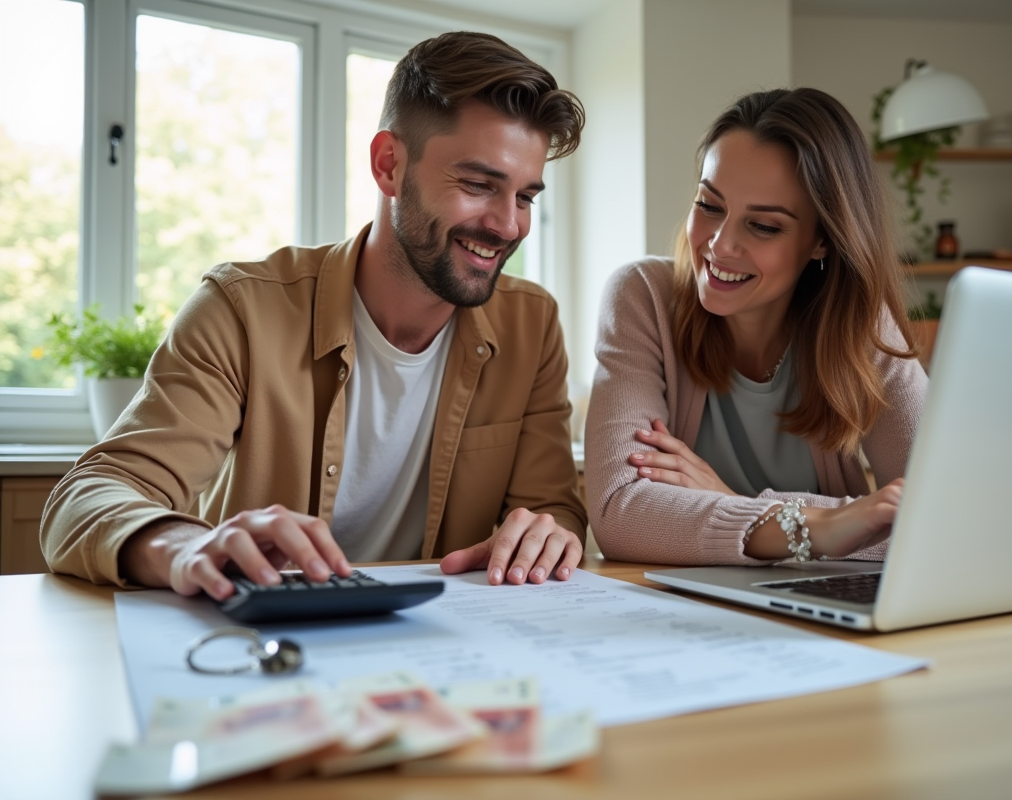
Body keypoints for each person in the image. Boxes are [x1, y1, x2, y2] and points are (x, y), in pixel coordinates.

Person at [41, 31, 588, 599]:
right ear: (388, 166)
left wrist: (551, 534)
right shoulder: (243, 310)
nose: (508, 226)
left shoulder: (532, 325)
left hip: (439, 652)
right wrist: (182, 546)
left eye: (525, 197)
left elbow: (552, 507)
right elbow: (90, 495)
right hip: (266, 654)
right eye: (478, 185)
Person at [585, 88, 927, 565]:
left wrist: (731, 502)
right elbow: (617, 512)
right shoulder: (644, 296)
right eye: (709, 205)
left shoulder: (860, 327)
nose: (721, 246)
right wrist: (817, 526)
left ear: (823, 240)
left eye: (763, 226)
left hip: (814, 609)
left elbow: (942, 520)